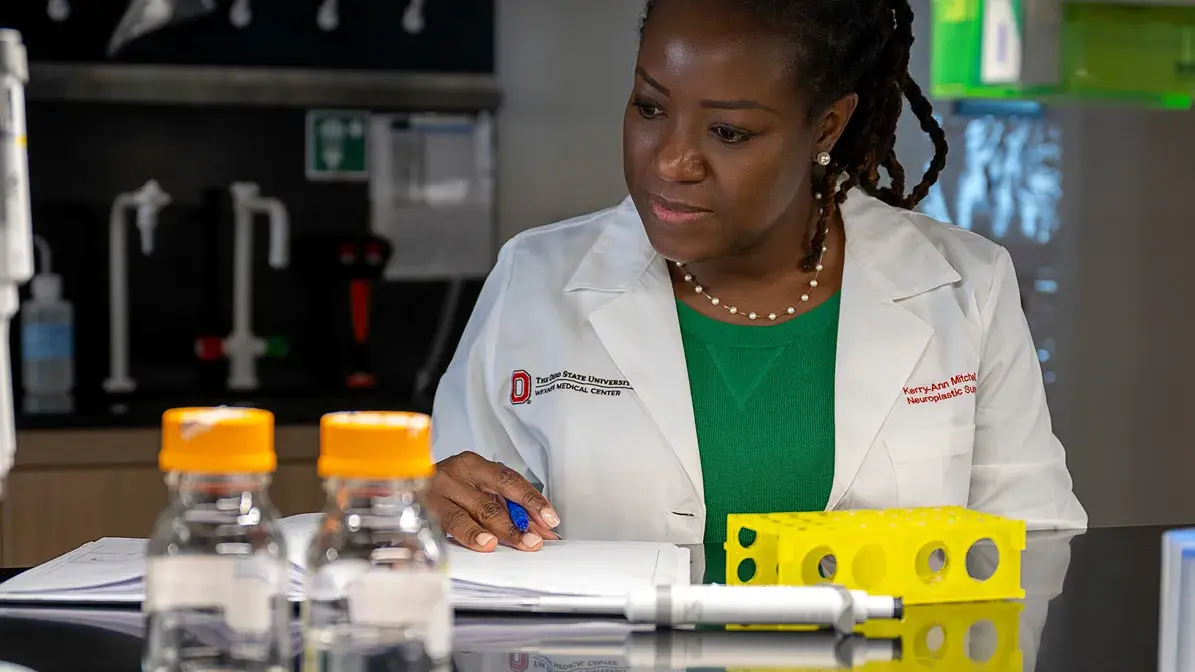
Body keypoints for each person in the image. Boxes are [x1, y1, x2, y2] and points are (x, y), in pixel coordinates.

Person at [429, 0, 1088, 553]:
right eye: (649, 107)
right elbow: (462, 539)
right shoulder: (534, 279)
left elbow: (1035, 552)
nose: (672, 161)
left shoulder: (964, 285)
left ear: (826, 124)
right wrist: (432, 509)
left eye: (729, 132)